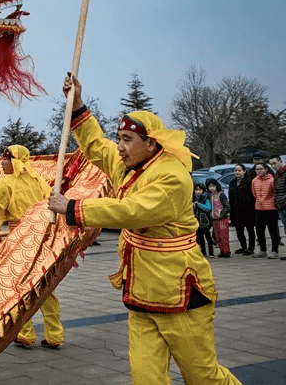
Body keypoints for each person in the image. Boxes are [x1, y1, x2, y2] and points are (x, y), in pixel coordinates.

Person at [48, 76, 240, 385]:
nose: (120, 147)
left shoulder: (172, 177)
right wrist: (78, 104)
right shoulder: (129, 164)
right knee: (145, 378)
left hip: (180, 295)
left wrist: (72, 208)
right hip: (140, 295)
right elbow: (97, 147)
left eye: (127, 139)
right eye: (119, 137)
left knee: (203, 378)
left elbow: (133, 211)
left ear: (151, 143)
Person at [0, 145, 64, 349]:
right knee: (45, 287)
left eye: (5, 159)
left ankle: (25, 334)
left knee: (20, 288)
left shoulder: (6, 184)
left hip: (19, 240)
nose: (2, 163)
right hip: (42, 239)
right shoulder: (39, 181)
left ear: (14, 161)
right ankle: (55, 335)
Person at [251, 163, 278, 258]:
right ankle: (263, 250)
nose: (259, 171)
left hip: (271, 209)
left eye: (261, 168)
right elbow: (254, 193)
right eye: (257, 169)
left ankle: (275, 250)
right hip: (259, 208)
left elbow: (274, 193)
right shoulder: (254, 181)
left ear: (266, 169)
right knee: (259, 230)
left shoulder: (272, 180)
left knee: (273, 230)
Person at [227, 163, 255, 255]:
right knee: (239, 230)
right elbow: (231, 198)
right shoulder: (232, 182)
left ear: (244, 171)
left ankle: (251, 248)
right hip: (236, 210)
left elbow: (252, 196)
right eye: (235, 170)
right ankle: (243, 247)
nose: (237, 172)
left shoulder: (249, 181)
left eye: (239, 170)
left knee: (250, 229)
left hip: (248, 209)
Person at [206, 178, 231, 258]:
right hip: (214, 218)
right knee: (217, 236)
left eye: (213, 186)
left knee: (223, 236)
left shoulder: (221, 195)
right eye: (210, 187)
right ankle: (222, 250)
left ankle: (226, 251)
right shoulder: (210, 196)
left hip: (222, 218)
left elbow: (227, 206)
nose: (211, 188)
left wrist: (223, 213)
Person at [269, 155, 286, 257]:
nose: (273, 166)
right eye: (271, 164)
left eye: (275, 163)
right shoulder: (277, 174)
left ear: (280, 161)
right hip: (280, 205)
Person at [193, 183, 214, 257]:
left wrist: (199, 204)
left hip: (205, 221)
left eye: (199, 190)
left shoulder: (205, 198)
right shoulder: (194, 198)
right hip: (197, 221)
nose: (197, 191)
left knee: (208, 237)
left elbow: (208, 208)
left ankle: (211, 252)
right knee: (200, 238)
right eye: (196, 190)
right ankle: (203, 252)